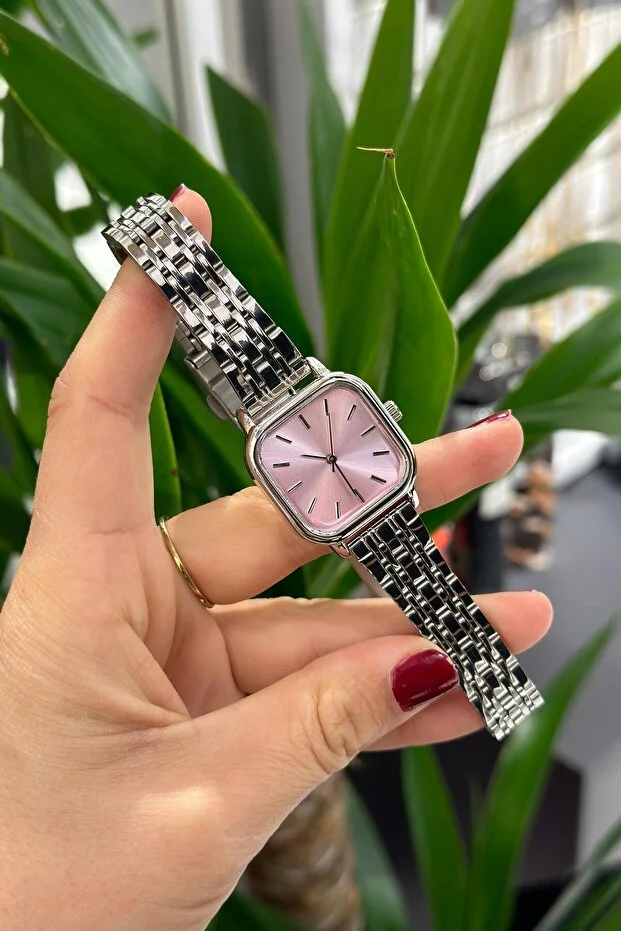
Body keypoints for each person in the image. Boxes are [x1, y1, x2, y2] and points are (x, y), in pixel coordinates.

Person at [0, 187, 551, 930]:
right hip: (355, 511)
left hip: (370, 499)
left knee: (452, 603)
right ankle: (498, 686)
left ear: (380, 421)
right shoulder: (295, 443)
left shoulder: (320, 424)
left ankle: (501, 687)